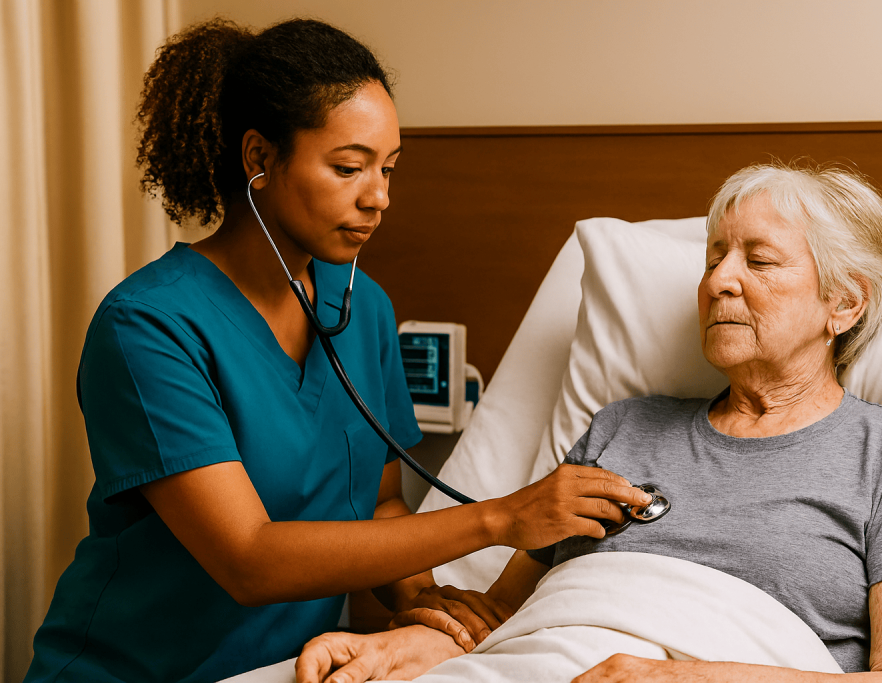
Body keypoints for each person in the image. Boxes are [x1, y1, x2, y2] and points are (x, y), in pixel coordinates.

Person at [24, 19, 654, 683]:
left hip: (286, 669)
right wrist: (501, 517)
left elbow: (378, 506)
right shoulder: (149, 326)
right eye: (349, 168)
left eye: (388, 169)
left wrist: (423, 601)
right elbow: (248, 559)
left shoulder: (364, 307)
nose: (379, 197)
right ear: (260, 158)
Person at [294, 163, 882, 683]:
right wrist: (395, 651)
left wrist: (681, 678)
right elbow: (503, 619)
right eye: (714, 257)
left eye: (758, 260)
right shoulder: (622, 429)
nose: (719, 280)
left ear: (843, 304)